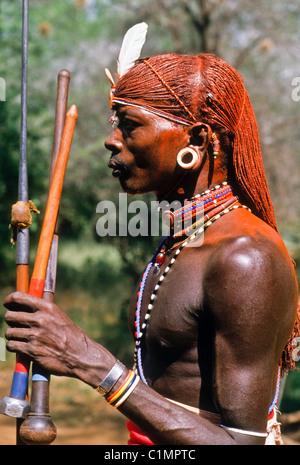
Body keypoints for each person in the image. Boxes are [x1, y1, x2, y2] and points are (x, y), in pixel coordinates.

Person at [3, 28, 300, 445]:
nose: (112, 140)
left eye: (130, 126)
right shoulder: (183, 240)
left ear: (194, 141)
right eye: (115, 124)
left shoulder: (245, 258)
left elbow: (240, 444)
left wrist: (92, 364)